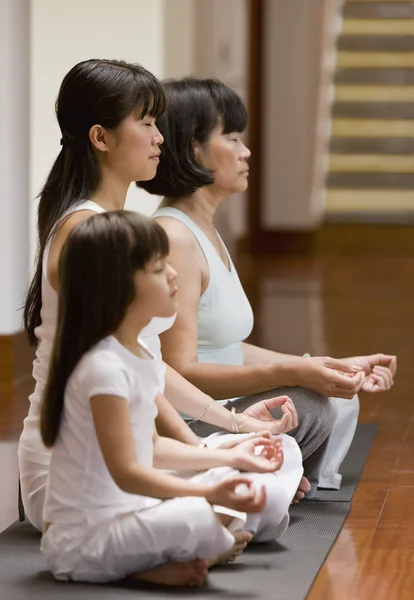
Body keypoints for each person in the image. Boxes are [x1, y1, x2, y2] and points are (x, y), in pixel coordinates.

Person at [18, 59, 303, 534]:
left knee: (277, 454)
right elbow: (123, 374)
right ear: (100, 137)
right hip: (84, 465)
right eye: (146, 124)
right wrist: (206, 449)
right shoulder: (87, 232)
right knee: (259, 495)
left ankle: (201, 519)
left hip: (132, 446)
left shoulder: (115, 226)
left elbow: (146, 364)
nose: (159, 138)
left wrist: (231, 426)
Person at [139, 77, 397, 494]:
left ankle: (279, 478)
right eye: (233, 138)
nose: (246, 152)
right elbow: (179, 369)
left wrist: (327, 365)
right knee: (310, 402)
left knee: (336, 392)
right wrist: (298, 371)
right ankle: (259, 477)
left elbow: (227, 348)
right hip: (194, 419)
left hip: (222, 408)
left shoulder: (206, 229)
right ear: (193, 149)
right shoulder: (175, 237)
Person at [40, 211, 287, 586]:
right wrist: (207, 492)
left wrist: (230, 456)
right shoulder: (103, 368)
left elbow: (152, 449)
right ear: (118, 286)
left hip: (132, 510)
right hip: (82, 540)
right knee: (200, 516)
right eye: (158, 269)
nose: (173, 274)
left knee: (246, 474)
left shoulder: (137, 353)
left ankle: (185, 550)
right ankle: (189, 551)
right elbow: (128, 472)